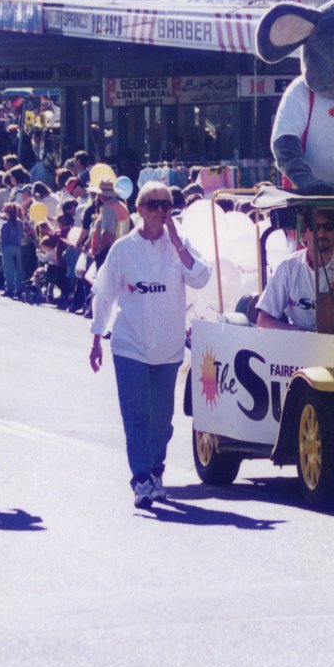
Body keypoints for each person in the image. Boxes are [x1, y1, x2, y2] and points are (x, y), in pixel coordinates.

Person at [89, 181, 210, 509]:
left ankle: (156, 471)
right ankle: (141, 478)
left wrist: (178, 243)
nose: (160, 211)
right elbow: (105, 294)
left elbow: (202, 277)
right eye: (153, 205)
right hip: (130, 345)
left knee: (162, 421)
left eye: (166, 205)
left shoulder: (179, 246)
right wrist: (97, 337)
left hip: (168, 348)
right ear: (139, 209)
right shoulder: (123, 249)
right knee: (137, 415)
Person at [257, 210, 334, 330]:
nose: (322, 233)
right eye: (315, 227)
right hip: (298, 338)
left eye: (328, 227)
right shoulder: (287, 267)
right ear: (303, 235)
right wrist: (302, 334)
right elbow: (264, 320)